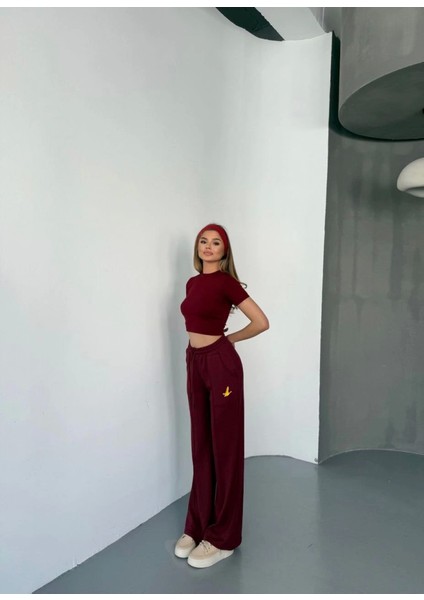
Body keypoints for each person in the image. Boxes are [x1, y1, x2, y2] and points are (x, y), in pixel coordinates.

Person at [175, 223, 269, 569]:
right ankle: (197, 525)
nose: (209, 246)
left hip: (220, 364)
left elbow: (261, 322)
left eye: (216, 243)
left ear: (225, 251)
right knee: (201, 444)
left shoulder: (227, 283)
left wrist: (229, 340)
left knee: (224, 449)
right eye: (204, 241)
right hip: (195, 361)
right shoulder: (192, 283)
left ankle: (223, 538)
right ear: (197, 247)